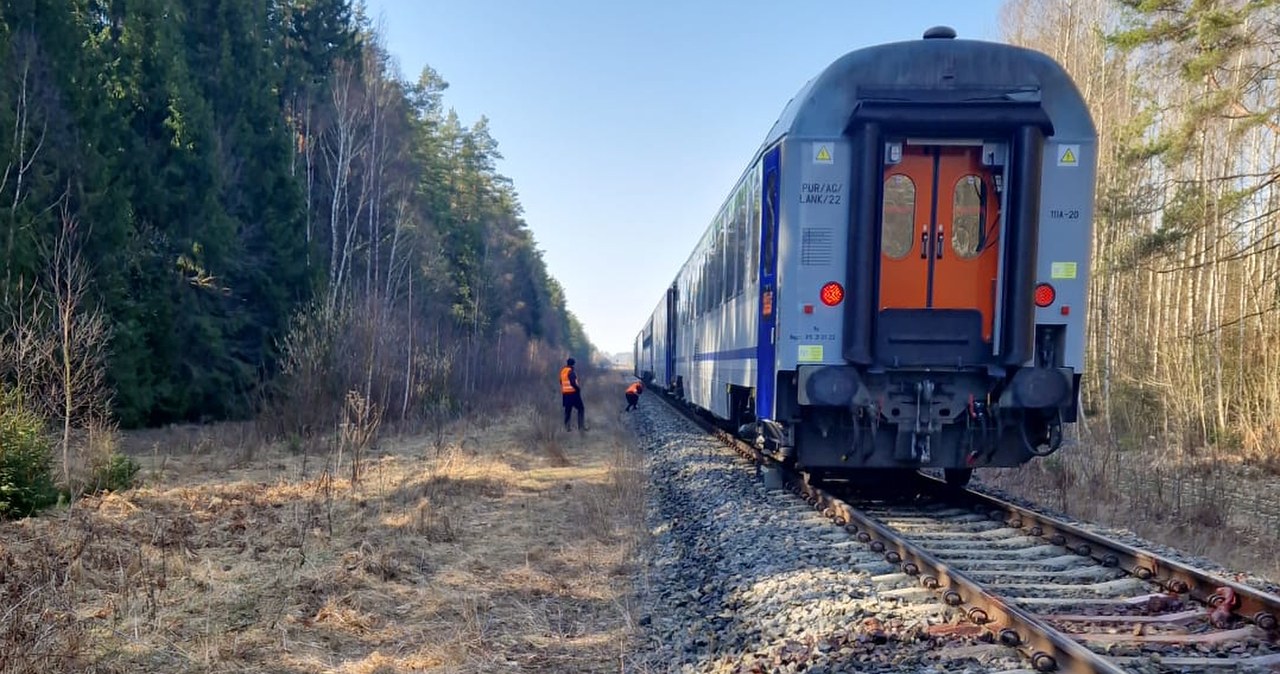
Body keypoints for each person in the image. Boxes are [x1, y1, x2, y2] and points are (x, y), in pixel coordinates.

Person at [560, 358, 585, 431]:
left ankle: (567, 428)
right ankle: (581, 427)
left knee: (568, 410)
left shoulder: (562, 371)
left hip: (565, 394)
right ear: (573, 364)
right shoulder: (571, 371)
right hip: (573, 394)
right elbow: (573, 382)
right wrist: (578, 389)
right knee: (581, 408)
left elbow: (561, 382)